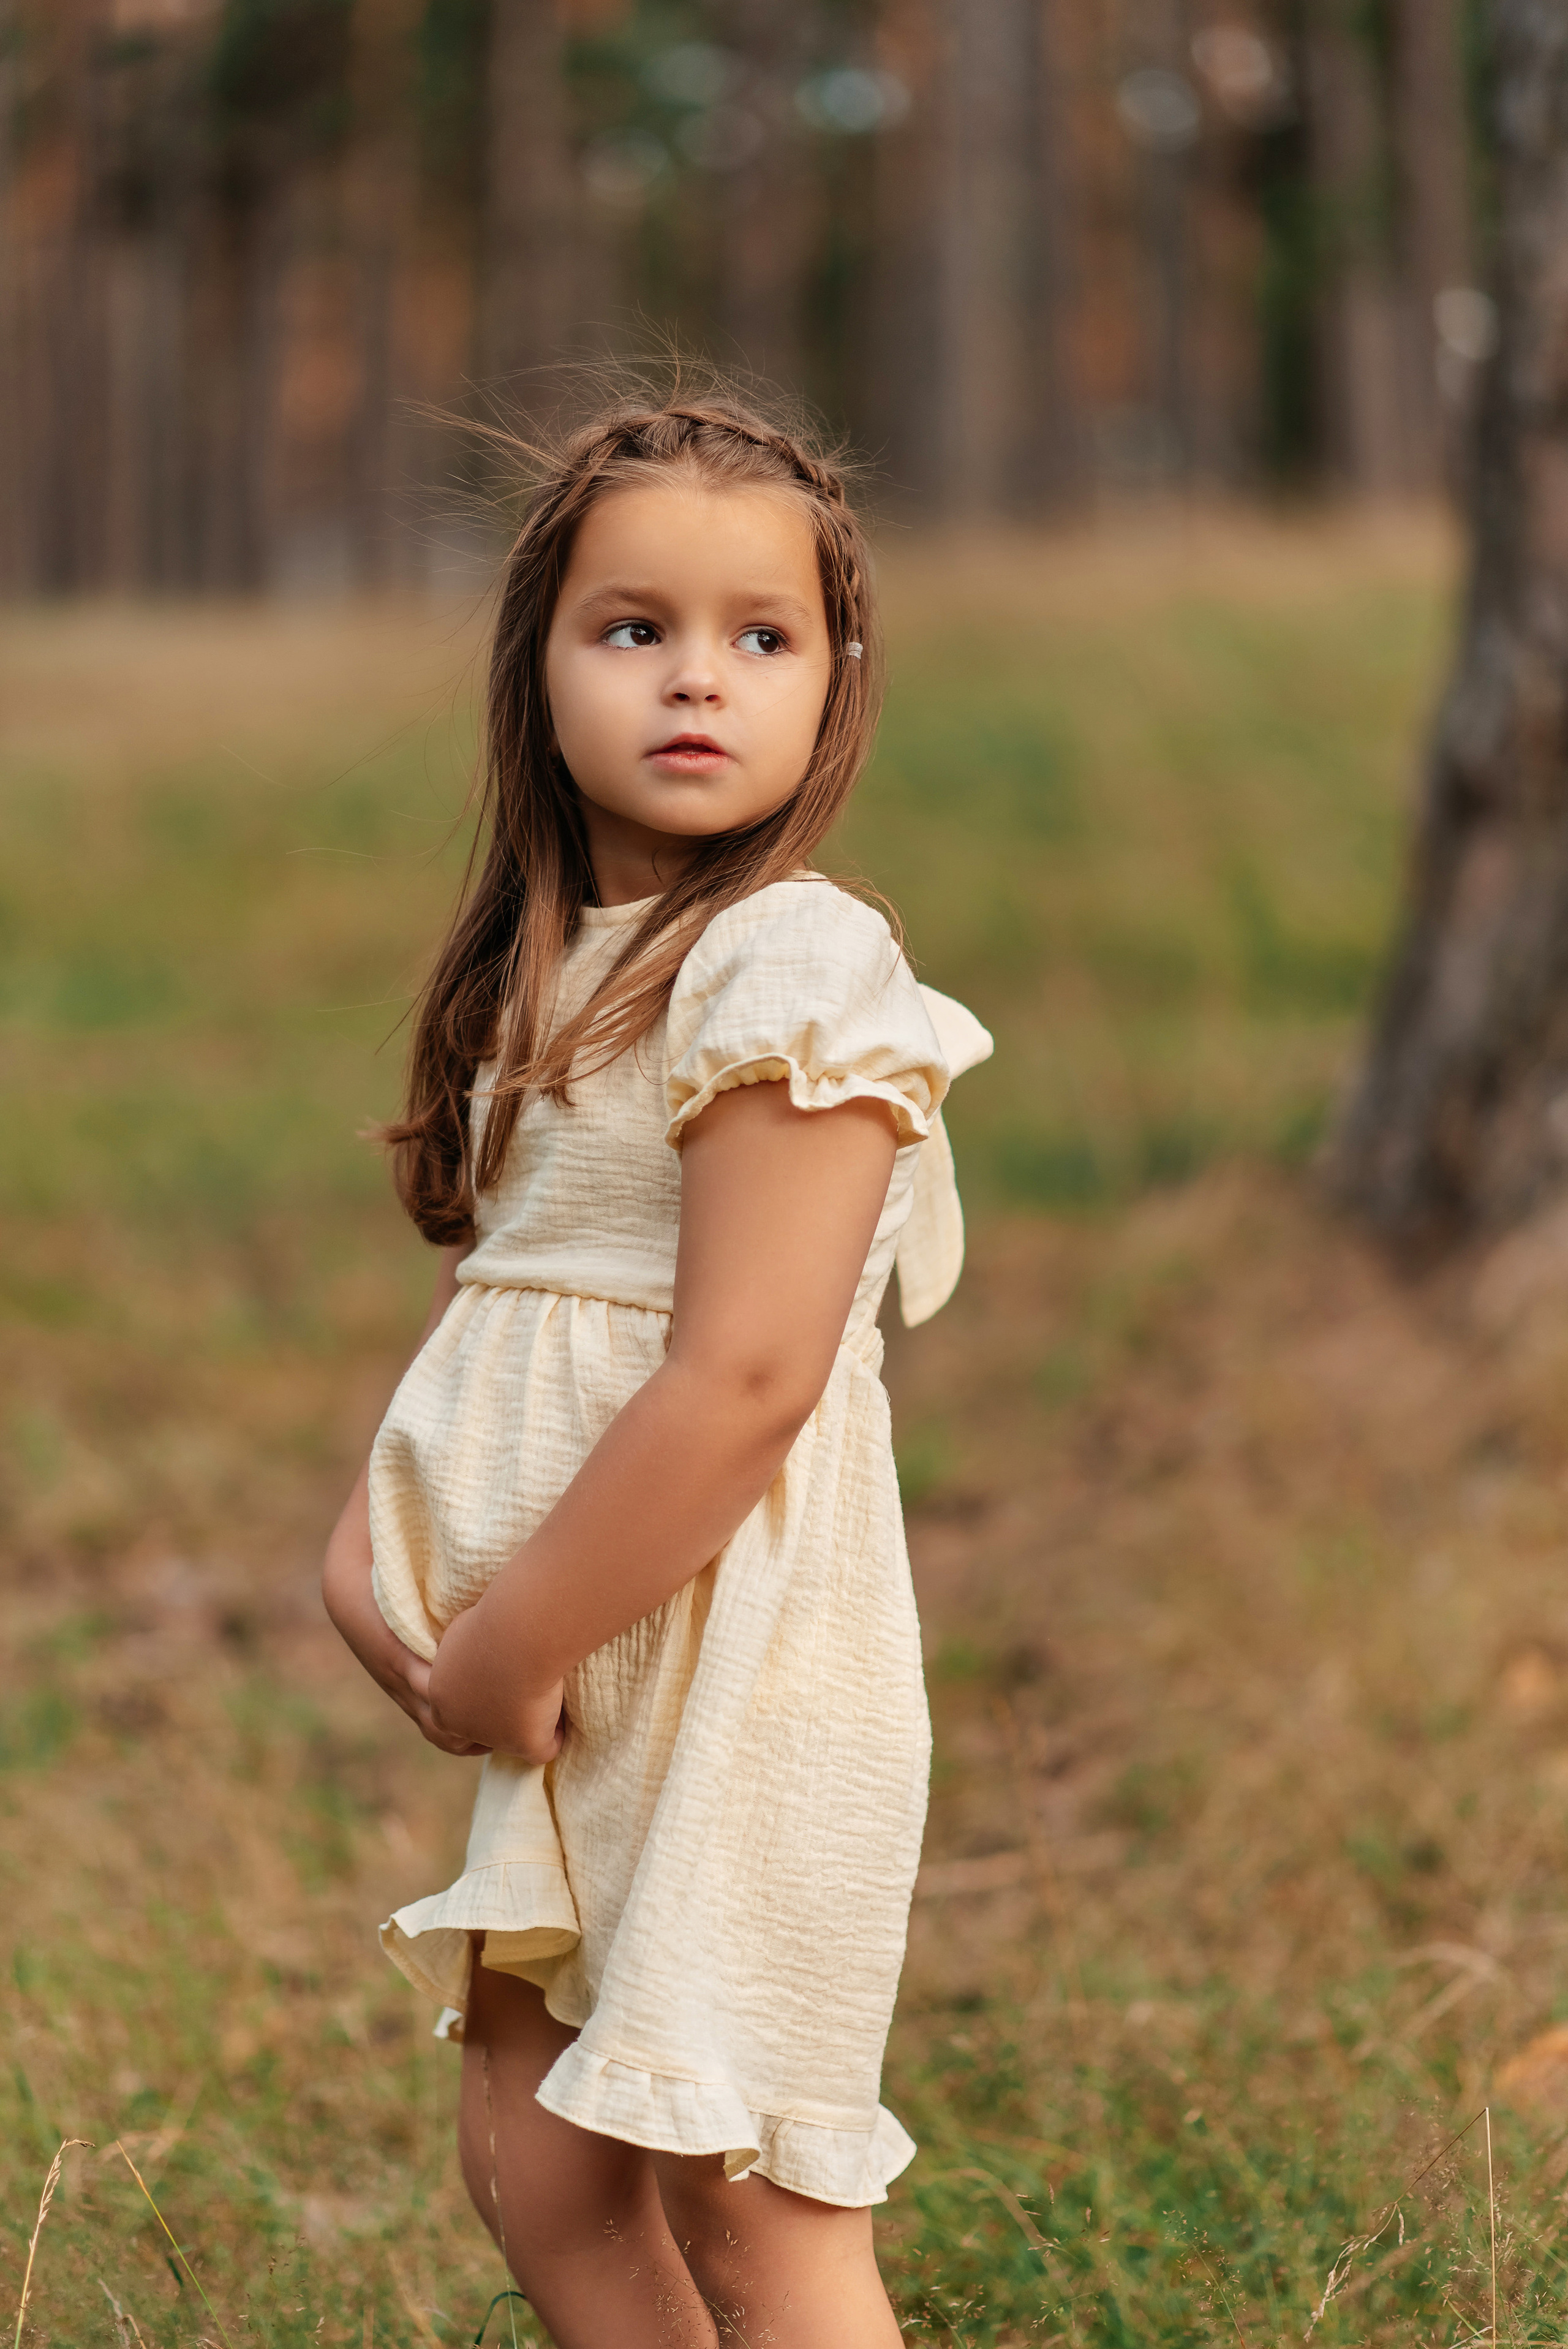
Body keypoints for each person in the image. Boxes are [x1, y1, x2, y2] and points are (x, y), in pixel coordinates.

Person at [321, 385, 992, 2348]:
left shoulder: (788, 966)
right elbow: (502, 1303)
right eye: (635, 629)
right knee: (540, 2164)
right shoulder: (553, 958)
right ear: (538, 665)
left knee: (748, 2195)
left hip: (733, 1663)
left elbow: (746, 1377)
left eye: (759, 637)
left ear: (831, 680)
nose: (698, 679)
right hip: (583, 1662)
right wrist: (363, 1551)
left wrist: (512, 1637)